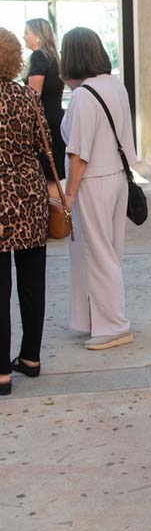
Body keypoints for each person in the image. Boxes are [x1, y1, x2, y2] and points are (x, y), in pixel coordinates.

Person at [60, 28, 137, 351]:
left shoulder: (82, 96)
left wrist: (69, 194)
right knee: (109, 252)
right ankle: (99, 319)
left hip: (93, 182)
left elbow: (78, 152)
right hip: (117, 178)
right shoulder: (114, 85)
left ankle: (112, 325)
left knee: (95, 255)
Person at [0, 29, 50, 395]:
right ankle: (30, 358)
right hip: (30, 196)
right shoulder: (26, 97)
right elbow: (44, 142)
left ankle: (2, 372)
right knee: (32, 282)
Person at [24, 17, 66, 181]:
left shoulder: (38, 57)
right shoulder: (53, 57)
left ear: (38, 36)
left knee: (48, 174)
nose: (24, 37)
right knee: (56, 172)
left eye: (27, 33)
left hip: (44, 123)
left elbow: (33, 95)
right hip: (56, 119)